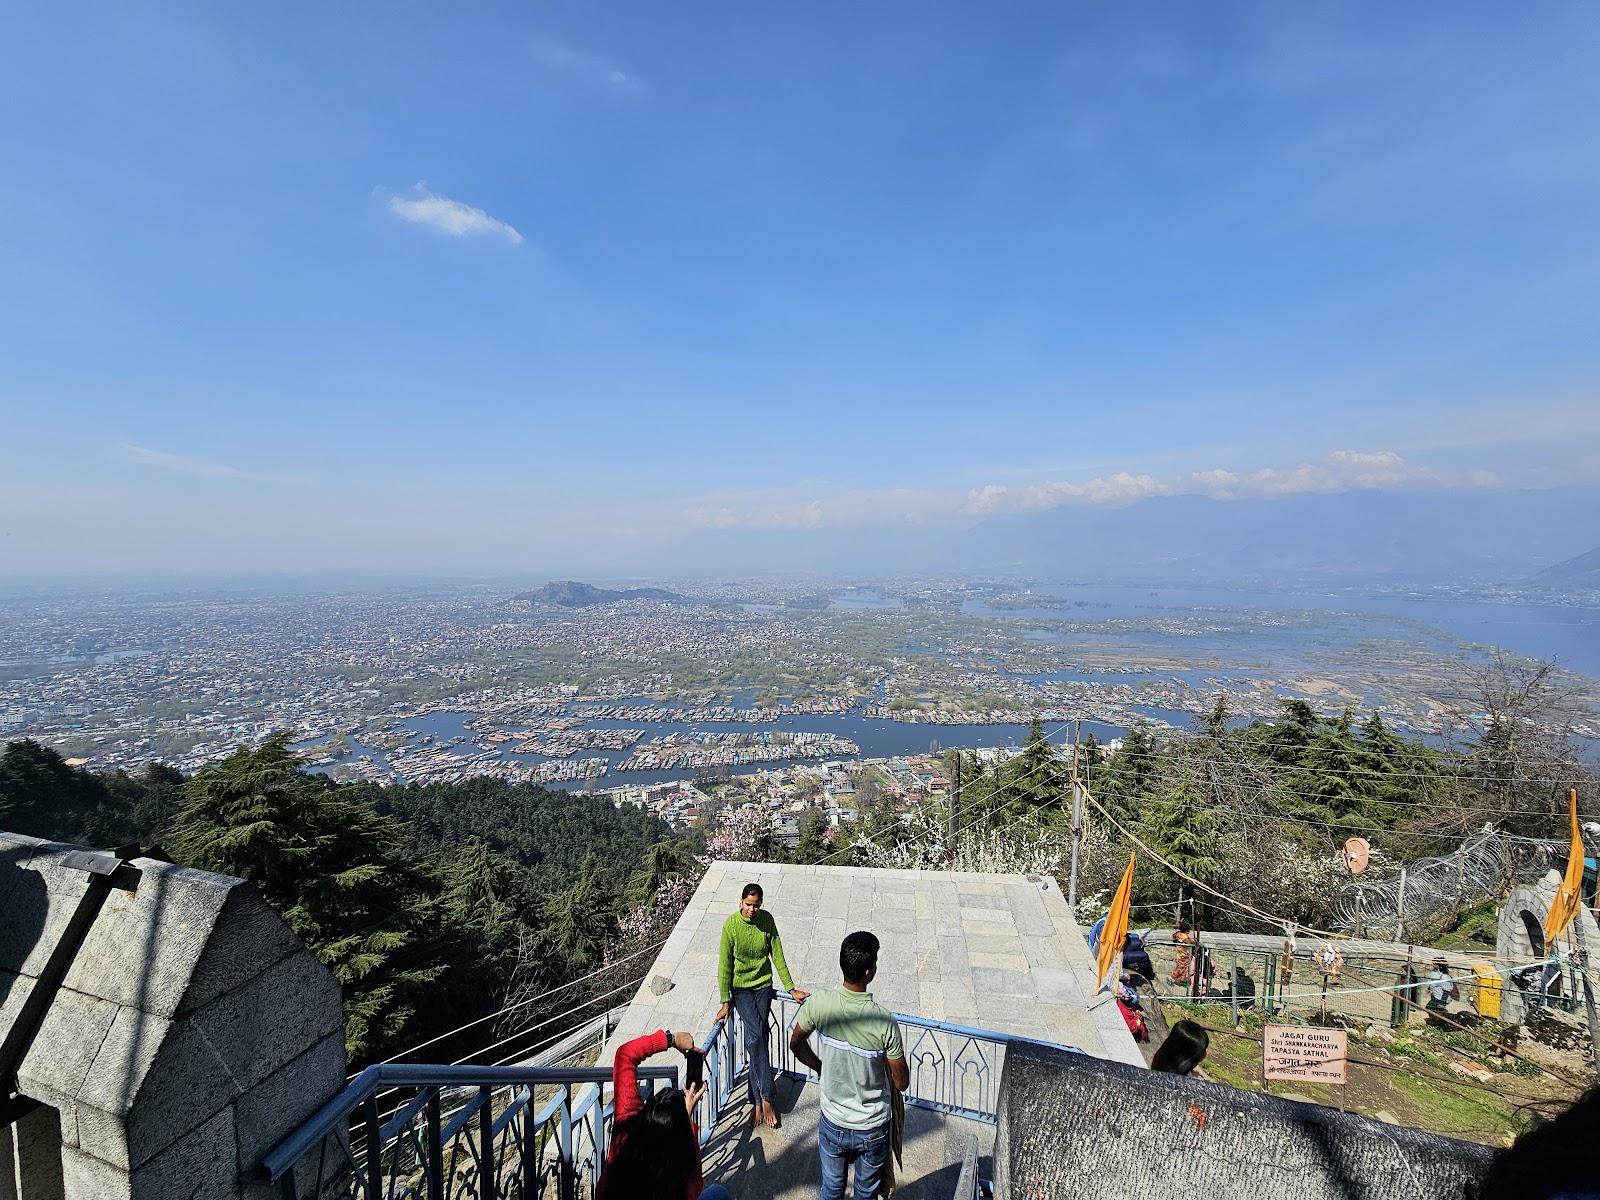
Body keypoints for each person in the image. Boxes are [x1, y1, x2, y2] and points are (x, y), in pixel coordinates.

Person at [789, 931, 909, 1200]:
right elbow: (901, 1083)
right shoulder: (884, 1021)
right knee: (866, 1193)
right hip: (872, 1127)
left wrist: (819, 1066)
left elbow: (795, 1043)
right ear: (868, 972)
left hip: (833, 1120)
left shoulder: (819, 1004)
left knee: (831, 1190)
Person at [714, 883, 810, 1128]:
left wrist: (790, 988)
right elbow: (724, 966)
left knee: (757, 1039)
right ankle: (766, 1097)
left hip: (763, 987)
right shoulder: (731, 926)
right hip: (741, 989)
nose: (752, 909)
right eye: (748, 904)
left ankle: (755, 1100)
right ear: (741, 901)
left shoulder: (767, 921)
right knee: (757, 1035)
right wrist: (725, 1001)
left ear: (761, 904)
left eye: (756, 905)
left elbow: (777, 955)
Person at [598, 1028, 731, 1200]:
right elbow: (697, 1183)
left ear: (648, 1113)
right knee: (720, 1193)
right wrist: (687, 1120)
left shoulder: (625, 1132)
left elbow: (625, 1055)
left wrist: (671, 1039)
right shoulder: (680, 1183)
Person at [1169, 921, 1194, 986]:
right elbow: (1190, 943)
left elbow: (1172, 937)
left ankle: (1181, 980)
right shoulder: (1185, 937)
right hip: (1184, 955)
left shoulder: (1178, 933)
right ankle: (1171, 979)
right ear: (1187, 930)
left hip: (1179, 953)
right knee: (1181, 968)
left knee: (1180, 966)